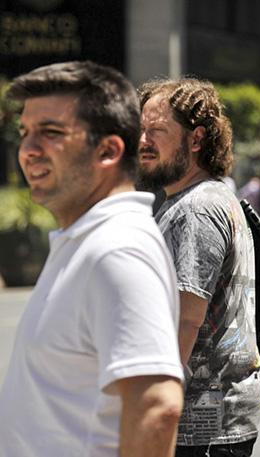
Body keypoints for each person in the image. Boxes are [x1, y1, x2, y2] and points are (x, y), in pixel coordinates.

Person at [0, 61, 183, 456]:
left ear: (108, 150)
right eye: (24, 133)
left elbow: (157, 405)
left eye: (50, 133)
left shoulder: (117, 249)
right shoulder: (86, 240)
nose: (28, 151)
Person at [138, 78, 260, 456]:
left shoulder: (195, 209)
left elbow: (185, 319)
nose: (143, 141)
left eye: (157, 131)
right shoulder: (207, 197)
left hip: (200, 428)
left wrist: (153, 409)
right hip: (208, 423)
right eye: (140, 129)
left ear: (196, 139)